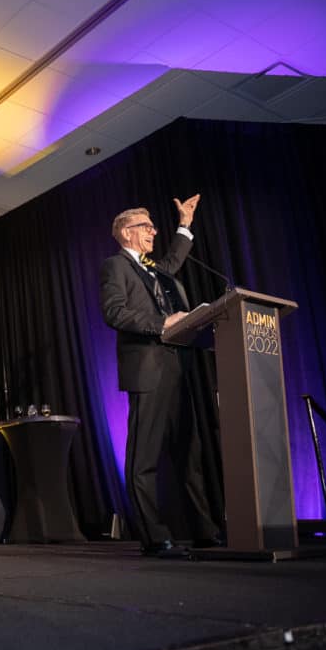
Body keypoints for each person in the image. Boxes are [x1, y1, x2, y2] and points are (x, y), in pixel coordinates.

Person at [99, 194, 220, 558]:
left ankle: (204, 531)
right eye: (146, 227)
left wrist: (185, 226)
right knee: (144, 459)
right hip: (147, 370)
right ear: (126, 232)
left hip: (177, 368)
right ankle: (154, 537)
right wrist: (162, 322)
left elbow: (171, 263)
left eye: (153, 226)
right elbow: (114, 312)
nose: (153, 231)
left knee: (189, 455)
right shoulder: (115, 266)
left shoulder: (152, 267)